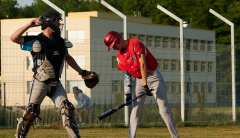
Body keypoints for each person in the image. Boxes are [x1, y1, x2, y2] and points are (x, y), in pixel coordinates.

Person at [10, 10, 95, 138]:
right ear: (48, 22)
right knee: (31, 111)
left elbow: (68, 57)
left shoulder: (60, 42)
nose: (59, 23)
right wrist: (29, 25)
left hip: (56, 83)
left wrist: (81, 72)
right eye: (56, 20)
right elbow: (14, 38)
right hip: (40, 82)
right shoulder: (35, 40)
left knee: (68, 108)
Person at [104, 31, 179, 138]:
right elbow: (127, 74)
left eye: (114, 45)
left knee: (164, 110)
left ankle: (175, 136)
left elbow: (143, 63)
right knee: (135, 111)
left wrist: (145, 85)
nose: (113, 48)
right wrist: (128, 92)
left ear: (119, 39)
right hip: (139, 81)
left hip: (154, 77)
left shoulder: (136, 43)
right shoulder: (119, 56)